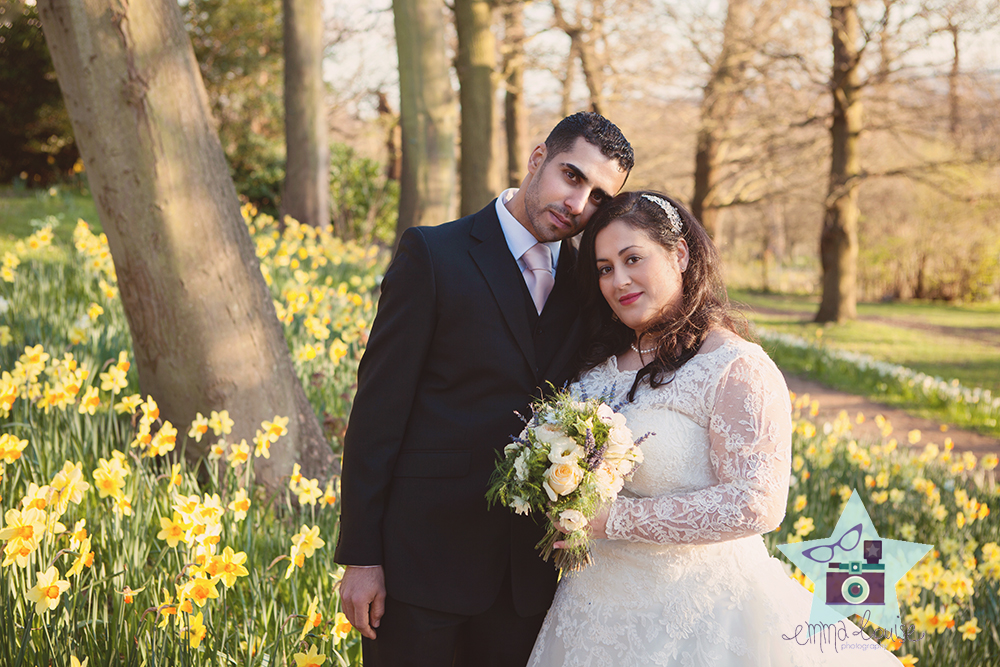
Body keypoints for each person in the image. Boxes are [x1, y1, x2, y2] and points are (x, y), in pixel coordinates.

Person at [527, 191, 903, 666]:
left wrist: (611, 521)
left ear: (679, 254)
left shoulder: (733, 366)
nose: (618, 280)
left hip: (693, 615)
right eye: (604, 268)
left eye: (632, 259)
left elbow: (756, 502)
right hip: (588, 611)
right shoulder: (597, 365)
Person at [334, 112, 635, 667]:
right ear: (537, 157)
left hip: (528, 582)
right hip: (420, 566)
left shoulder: (587, 284)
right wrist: (361, 557)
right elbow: (378, 412)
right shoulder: (433, 255)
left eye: (597, 198)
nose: (577, 204)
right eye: (572, 176)